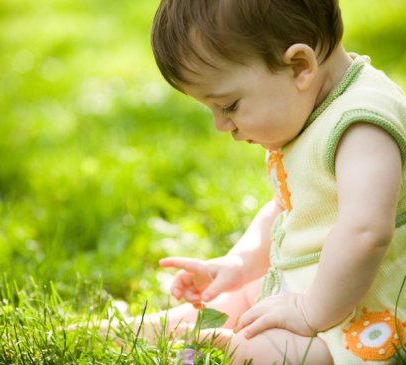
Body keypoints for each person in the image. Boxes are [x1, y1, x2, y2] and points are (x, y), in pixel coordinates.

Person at [103, 0, 406, 364]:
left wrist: (311, 312)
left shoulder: (363, 126)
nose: (220, 125)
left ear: (299, 66)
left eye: (228, 105)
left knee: (300, 352)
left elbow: (365, 232)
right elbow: (285, 208)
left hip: (363, 303)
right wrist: (240, 263)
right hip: (306, 289)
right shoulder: (309, 106)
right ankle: (162, 329)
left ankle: (233, 352)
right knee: (238, 301)